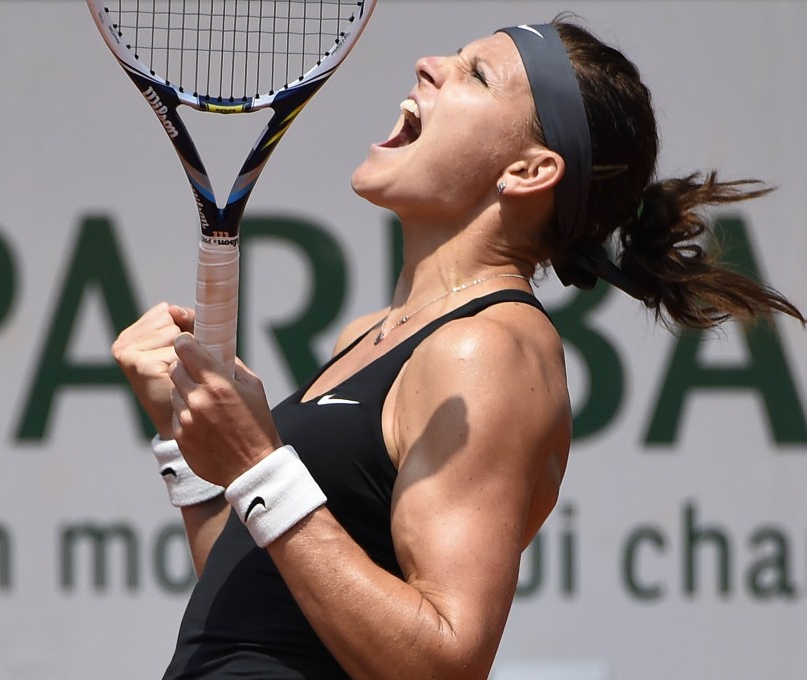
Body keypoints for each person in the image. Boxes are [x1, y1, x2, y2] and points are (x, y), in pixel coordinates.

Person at [112, 16, 804, 680]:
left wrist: (259, 466)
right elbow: (268, 612)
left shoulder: (489, 350)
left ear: (530, 171)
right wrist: (192, 453)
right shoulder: (370, 335)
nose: (428, 66)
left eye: (476, 74)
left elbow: (444, 662)